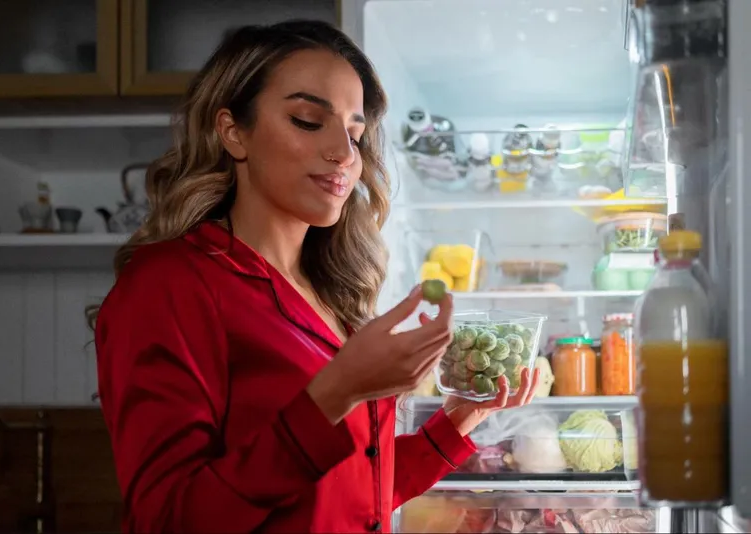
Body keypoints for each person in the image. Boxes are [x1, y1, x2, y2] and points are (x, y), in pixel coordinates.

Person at [90, 19, 540, 534]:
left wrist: (458, 421)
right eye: (308, 120)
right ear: (233, 132)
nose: (345, 155)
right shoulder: (169, 285)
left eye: (354, 133)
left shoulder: (328, 296)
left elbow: (345, 493)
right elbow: (169, 520)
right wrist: (337, 391)